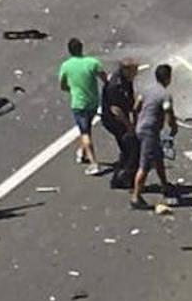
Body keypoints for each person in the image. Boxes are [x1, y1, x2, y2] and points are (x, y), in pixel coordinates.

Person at [57, 38, 107, 176]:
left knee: (85, 132)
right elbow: (104, 77)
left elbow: (62, 85)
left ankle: (93, 163)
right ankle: (83, 152)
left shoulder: (66, 66)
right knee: (86, 128)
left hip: (78, 104)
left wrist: (72, 89)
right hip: (93, 102)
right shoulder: (92, 62)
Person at [131, 64, 177, 210]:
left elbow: (136, 107)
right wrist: (173, 126)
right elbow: (168, 112)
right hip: (149, 132)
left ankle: (165, 184)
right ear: (168, 78)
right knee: (144, 165)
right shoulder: (165, 94)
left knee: (158, 157)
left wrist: (137, 121)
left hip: (142, 128)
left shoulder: (147, 90)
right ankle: (136, 196)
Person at [101, 59, 139, 190]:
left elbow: (131, 97)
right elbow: (116, 110)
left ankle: (124, 177)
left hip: (123, 118)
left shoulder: (127, 80)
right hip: (114, 121)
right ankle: (121, 178)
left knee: (128, 148)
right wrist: (129, 126)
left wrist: (135, 117)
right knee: (130, 148)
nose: (137, 73)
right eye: (134, 70)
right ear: (125, 70)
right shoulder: (115, 85)